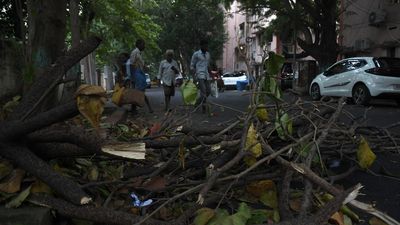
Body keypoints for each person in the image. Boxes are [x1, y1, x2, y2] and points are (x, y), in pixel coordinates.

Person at [129, 38, 153, 114]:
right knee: (139, 92)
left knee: (139, 91)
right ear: (139, 45)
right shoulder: (134, 52)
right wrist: (132, 77)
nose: (144, 46)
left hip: (140, 74)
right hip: (136, 74)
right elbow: (132, 65)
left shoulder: (139, 53)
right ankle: (149, 108)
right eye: (143, 44)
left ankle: (134, 109)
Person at [190, 39, 211, 113]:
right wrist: (194, 77)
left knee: (208, 91)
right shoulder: (196, 54)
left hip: (206, 75)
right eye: (204, 45)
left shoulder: (208, 54)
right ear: (201, 46)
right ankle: (204, 107)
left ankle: (197, 103)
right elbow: (192, 66)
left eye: (207, 45)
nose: (206, 47)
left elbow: (208, 65)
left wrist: (212, 75)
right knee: (203, 91)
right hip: (199, 74)